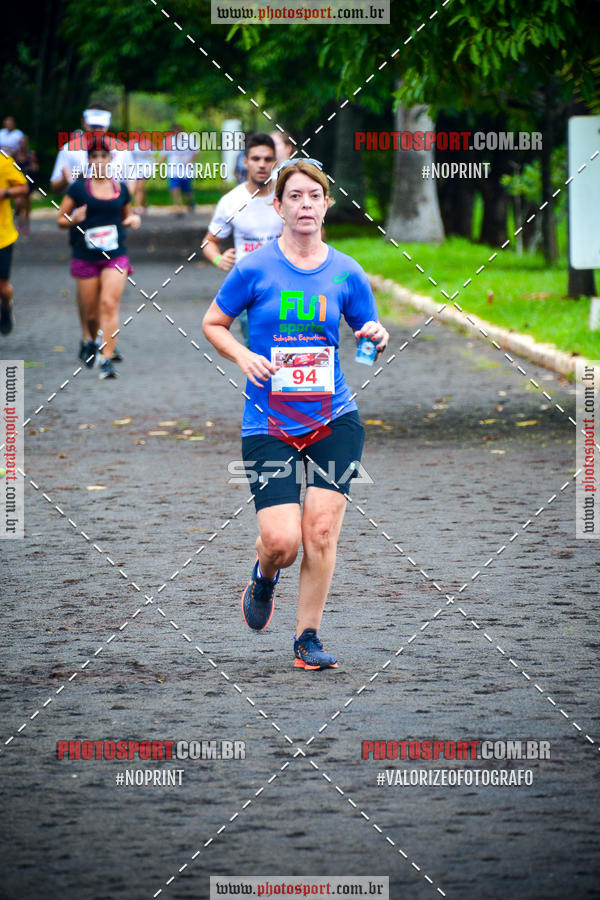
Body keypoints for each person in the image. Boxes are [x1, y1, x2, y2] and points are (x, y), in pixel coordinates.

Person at [202, 159, 389, 669]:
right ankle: (265, 575)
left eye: (314, 196)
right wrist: (243, 356)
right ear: (278, 205)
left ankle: (307, 638)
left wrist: (376, 334)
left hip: (334, 419)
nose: (305, 205)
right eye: (295, 197)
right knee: (283, 541)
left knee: (321, 531)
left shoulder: (348, 270)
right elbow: (214, 322)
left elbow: (366, 326)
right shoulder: (254, 268)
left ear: (327, 204)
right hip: (269, 423)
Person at [51, 104, 133, 364]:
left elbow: (129, 187)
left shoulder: (120, 150)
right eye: (92, 126)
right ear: (84, 124)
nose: (96, 130)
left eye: (101, 126)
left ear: (107, 126)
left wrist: (129, 212)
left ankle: (103, 341)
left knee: (108, 297)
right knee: (88, 293)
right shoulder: (69, 149)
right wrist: (68, 181)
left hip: (111, 226)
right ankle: (88, 336)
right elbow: (54, 186)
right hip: (82, 226)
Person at [202, 132, 282, 347]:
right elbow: (209, 241)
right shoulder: (231, 201)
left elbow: (317, 235)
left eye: (267, 159)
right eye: (256, 159)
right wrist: (219, 259)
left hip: (287, 284)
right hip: (250, 287)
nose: (262, 165)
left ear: (275, 162)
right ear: (246, 162)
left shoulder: (288, 195)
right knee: (256, 349)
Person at [0, 155, 28, 334]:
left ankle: (6, 306)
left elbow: (24, 187)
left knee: (2, 286)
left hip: (2, 236)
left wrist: (5, 193)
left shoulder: (3, 161)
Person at [162, 124, 196, 215]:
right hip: (173, 169)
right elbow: (163, 154)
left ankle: (190, 202)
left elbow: (196, 152)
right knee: (175, 188)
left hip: (186, 170)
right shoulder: (168, 141)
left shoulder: (190, 139)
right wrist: (156, 165)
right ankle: (178, 206)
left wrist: (190, 161)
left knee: (187, 190)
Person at [13, 137, 39, 234]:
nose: (22, 145)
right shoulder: (15, 155)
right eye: (21, 143)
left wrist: (33, 166)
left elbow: (36, 168)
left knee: (27, 205)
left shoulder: (30, 155)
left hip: (28, 182)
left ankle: (26, 225)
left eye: (24, 143)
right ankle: (19, 221)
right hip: (18, 182)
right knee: (19, 202)